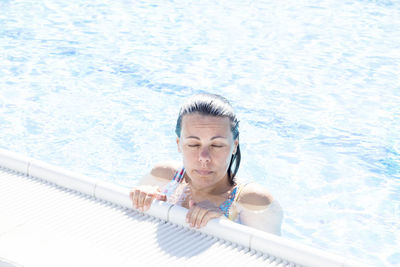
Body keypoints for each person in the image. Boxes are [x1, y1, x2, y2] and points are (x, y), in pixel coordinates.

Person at [130, 93, 283, 235]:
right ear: (179, 144)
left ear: (234, 146)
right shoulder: (164, 177)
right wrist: (141, 201)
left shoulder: (252, 201)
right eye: (193, 144)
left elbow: (274, 258)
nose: (204, 157)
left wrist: (220, 224)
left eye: (216, 145)